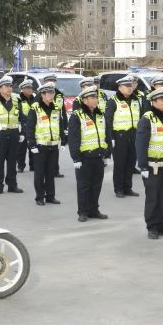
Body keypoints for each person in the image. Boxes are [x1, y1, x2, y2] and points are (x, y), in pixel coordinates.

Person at [133, 85, 163, 239]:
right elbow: (141, 144)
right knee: (153, 198)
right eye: (161, 100)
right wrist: (143, 166)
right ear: (153, 102)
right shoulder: (147, 119)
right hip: (152, 166)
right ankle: (152, 227)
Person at [68, 85, 108, 222]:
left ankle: (94, 210)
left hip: (98, 156)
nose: (96, 99)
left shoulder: (100, 114)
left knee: (96, 186)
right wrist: (76, 158)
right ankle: (83, 212)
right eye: (92, 97)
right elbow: (73, 138)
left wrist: (107, 154)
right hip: (84, 157)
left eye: (96, 97)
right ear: (85, 100)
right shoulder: (77, 116)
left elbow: (106, 134)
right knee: (83, 186)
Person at [24, 81, 63, 205]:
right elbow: (30, 127)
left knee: (50, 173)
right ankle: (39, 197)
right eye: (49, 93)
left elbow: (60, 124)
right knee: (40, 173)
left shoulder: (56, 107)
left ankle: (50, 196)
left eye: (53, 93)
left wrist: (62, 140)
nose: (52, 95)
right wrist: (32, 144)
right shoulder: (35, 108)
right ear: (42, 94)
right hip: (40, 146)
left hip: (53, 145)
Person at [0, 75, 24, 195]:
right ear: (0, 88)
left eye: (10, 86)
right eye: (6, 86)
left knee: (12, 162)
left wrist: (22, 133)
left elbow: (22, 118)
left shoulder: (17, 101)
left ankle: (12, 185)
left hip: (13, 134)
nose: (9, 88)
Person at [107, 75, 142, 198]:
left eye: (131, 86)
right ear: (120, 87)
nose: (130, 88)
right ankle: (119, 189)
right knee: (120, 164)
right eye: (127, 86)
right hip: (120, 136)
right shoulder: (113, 101)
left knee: (130, 163)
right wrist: (111, 137)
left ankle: (128, 188)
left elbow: (140, 118)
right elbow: (108, 121)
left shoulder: (135, 100)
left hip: (134, 135)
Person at [15, 79, 37, 173]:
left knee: (33, 146)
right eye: (27, 88)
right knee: (21, 149)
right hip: (23, 127)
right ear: (22, 89)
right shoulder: (18, 99)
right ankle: (21, 166)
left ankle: (33, 165)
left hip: (33, 127)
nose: (30, 90)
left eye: (30, 88)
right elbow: (18, 114)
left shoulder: (35, 99)